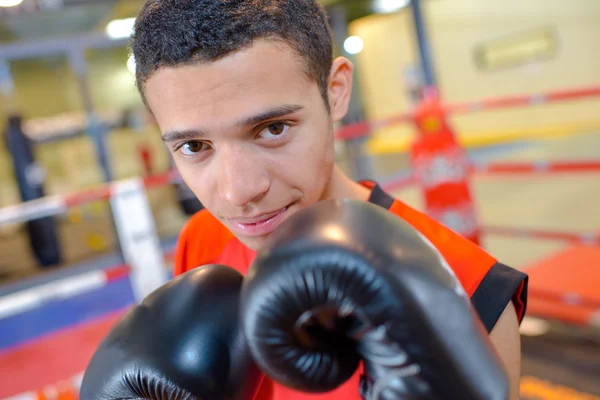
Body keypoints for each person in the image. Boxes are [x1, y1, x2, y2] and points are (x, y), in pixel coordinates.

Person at [130, 1, 528, 399]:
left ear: (335, 91)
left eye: (273, 128)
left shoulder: (469, 288)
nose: (238, 192)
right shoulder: (203, 239)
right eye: (194, 145)